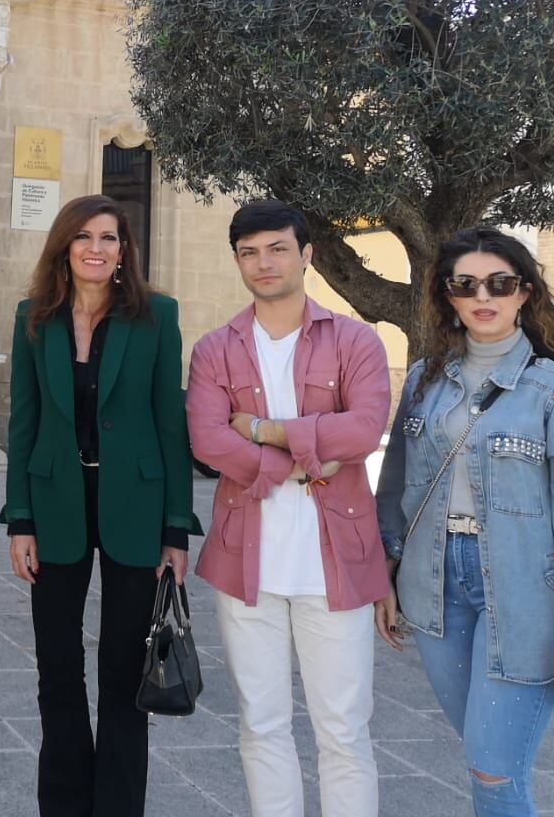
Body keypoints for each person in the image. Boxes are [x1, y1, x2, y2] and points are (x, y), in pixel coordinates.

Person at [376, 227, 554, 816]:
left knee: (493, 770)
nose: (484, 296)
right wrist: (384, 569)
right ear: (447, 295)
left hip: (526, 590)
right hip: (433, 588)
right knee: (487, 758)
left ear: (525, 292)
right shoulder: (424, 379)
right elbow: (398, 484)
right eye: (466, 284)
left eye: (500, 283)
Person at [186, 200, 392, 817]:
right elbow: (206, 439)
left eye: (277, 248)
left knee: (344, 730)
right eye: (249, 252)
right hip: (244, 566)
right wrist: (301, 458)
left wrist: (267, 430)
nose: (262, 262)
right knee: (261, 723)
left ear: (306, 254)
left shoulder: (354, 339)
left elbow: (363, 429)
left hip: (338, 564)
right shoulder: (214, 349)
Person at [0, 193, 196, 816]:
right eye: (84, 236)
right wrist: (19, 521)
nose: (96, 247)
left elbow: (172, 425)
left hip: (134, 507)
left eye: (109, 238)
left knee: (121, 673)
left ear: (123, 251)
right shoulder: (34, 315)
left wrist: (175, 529)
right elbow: (24, 424)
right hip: (56, 503)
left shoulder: (156, 316)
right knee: (57, 670)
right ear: (64, 245)